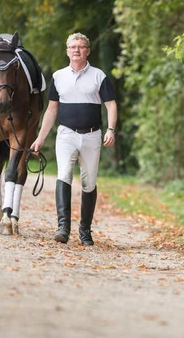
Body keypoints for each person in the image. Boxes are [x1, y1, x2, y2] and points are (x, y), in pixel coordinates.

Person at [30, 32, 117, 245]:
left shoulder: (99, 76)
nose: (76, 50)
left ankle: (85, 231)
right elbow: (51, 110)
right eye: (72, 46)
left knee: (89, 183)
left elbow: (111, 105)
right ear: (67, 51)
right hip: (66, 134)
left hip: (92, 135)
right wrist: (40, 137)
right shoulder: (58, 77)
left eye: (80, 46)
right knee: (64, 174)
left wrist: (111, 129)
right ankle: (63, 228)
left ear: (87, 50)